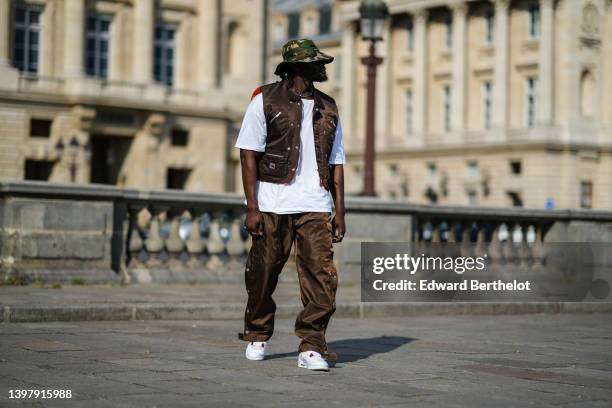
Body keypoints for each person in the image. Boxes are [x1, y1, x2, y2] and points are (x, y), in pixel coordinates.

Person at [235, 39, 346, 371]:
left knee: (321, 277)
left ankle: (311, 345)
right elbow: (248, 153)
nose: (323, 68)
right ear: (298, 67)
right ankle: (257, 332)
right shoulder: (265, 100)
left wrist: (339, 210)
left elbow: (336, 162)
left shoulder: (329, 106)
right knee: (263, 273)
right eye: (316, 63)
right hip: (272, 201)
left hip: (315, 202)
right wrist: (252, 206)